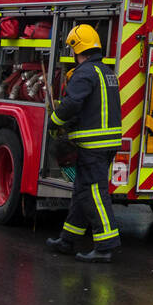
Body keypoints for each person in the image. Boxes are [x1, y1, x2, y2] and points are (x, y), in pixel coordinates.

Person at [46, 24, 122, 262]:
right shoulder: (106, 71)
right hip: (106, 144)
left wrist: (55, 121)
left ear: (78, 48)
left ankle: (105, 246)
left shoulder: (84, 73)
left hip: (93, 146)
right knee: (82, 192)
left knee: (95, 194)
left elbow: (72, 104)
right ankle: (67, 239)